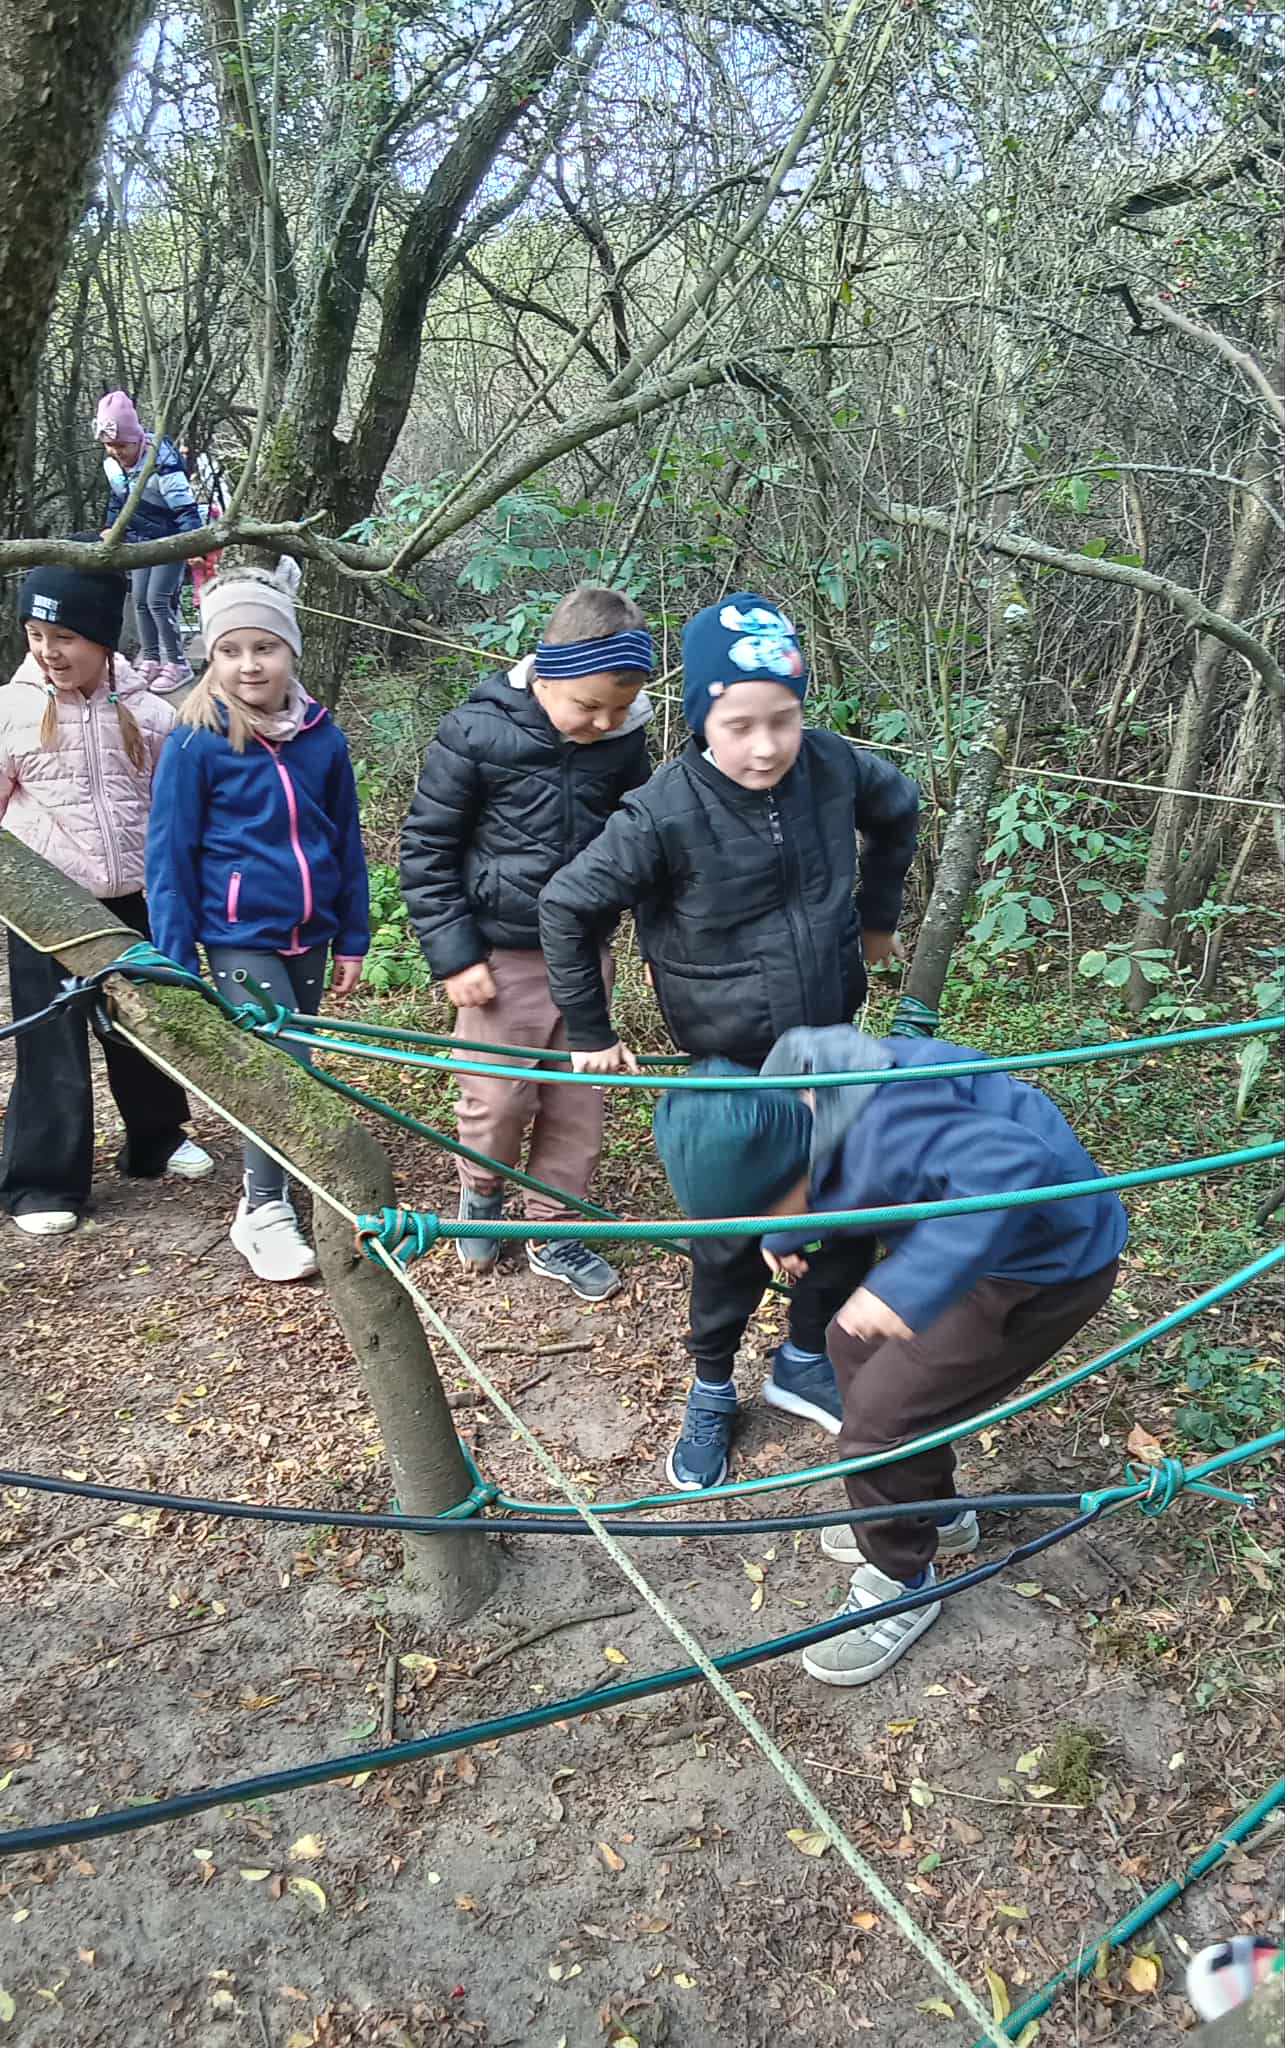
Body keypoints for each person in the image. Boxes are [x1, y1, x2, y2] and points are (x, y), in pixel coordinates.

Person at [538, 594, 919, 1485]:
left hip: (830, 1048)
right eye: (738, 724)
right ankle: (712, 1385)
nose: (765, 746)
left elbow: (897, 808)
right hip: (729, 1066)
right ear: (700, 717)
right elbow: (566, 905)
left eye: (782, 719)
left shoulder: (830, 764)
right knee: (728, 1240)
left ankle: (804, 1357)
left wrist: (876, 919)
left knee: (847, 1213)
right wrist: (589, 1029)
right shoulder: (662, 811)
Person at [653, 1023, 1128, 1685]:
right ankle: (934, 1513)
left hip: (1041, 1266)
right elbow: (819, 1179)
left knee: (878, 1426)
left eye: (761, 1211)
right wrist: (786, 1228)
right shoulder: (799, 1103)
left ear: (795, 1162)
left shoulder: (890, 1123)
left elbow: (1015, 1164)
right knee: (848, 1344)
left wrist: (905, 1289)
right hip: (970, 1245)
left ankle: (901, 1578)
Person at [400, 585, 654, 1304]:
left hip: (584, 954)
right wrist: (454, 955)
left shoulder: (622, 743)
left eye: (620, 708)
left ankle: (554, 1227)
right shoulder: (475, 733)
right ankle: (483, 1191)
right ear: (547, 676)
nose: (604, 722)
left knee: (578, 1102)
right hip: (498, 955)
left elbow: (643, 842)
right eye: (589, 706)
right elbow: (426, 849)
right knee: (497, 1098)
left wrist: (650, 932)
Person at [146, 569, 369, 1283]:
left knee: (298, 1061)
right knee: (281, 1067)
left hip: (312, 931)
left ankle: (276, 1186)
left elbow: (346, 840)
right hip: (238, 934)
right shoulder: (195, 743)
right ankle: (263, 1209)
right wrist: (173, 960)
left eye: (264, 647)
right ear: (212, 657)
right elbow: (169, 855)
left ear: (290, 651)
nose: (249, 665)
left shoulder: (321, 738)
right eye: (230, 650)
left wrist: (354, 935)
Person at [0, 550, 214, 1235]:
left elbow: (170, 809)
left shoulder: (151, 713)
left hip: (133, 898)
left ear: (100, 637)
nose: (49, 651)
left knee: (147, 1025)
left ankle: (157, 1138)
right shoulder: (10, 711)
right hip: (48, 909)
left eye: (65, 636)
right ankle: (43, 1181)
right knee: (51, 1039)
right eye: (37, 635)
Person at [94, 391, 204, 693]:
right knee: (140, 600)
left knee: (158, 600)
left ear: (137, 439)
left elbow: (185, 508)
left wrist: (194, 545)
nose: (116, 452)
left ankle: (178, 662)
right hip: (139, 541)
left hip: (170, 541)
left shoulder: (163, 464)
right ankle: (152, 659)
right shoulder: (114, 466)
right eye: (109, 446)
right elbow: (117, 500)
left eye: (121, 446)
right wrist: (111, 527)